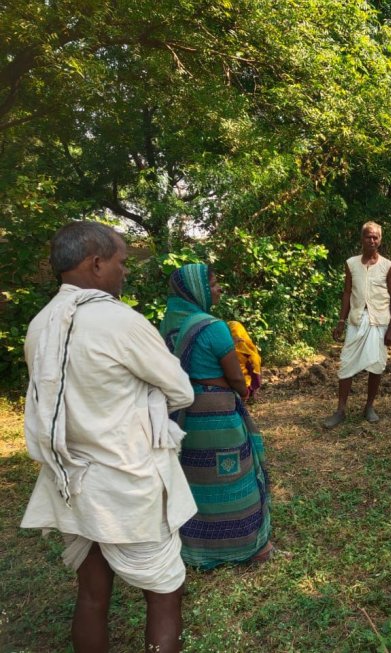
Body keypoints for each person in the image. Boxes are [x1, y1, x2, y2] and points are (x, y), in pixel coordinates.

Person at [20, 221, 196, 653]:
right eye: (120, 263)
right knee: (163, 592)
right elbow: (181, 390)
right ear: (95, 264)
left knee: (93, 594)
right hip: (126, 485)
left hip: (71, 486)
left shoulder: (40, 325)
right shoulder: (120, 321)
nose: (124, 272)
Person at [160, 263, 273, 569]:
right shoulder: (213, 328)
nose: (218, 288)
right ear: (197, 291)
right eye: (213, 284)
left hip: (183, 415)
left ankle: (196, 548)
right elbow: (238, 381)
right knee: (233, 475)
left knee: (195, 478)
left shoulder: (166, 326)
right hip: (219, 413)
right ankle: (247, 546)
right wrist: (225, 385)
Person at [323, 221, 391, 428]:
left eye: (375, 237)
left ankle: (369, 406)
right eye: (368, 236)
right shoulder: (351, 264)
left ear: (380, 240)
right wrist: (341, 321)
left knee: (376, 365)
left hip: (379, 322)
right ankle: (340, 410)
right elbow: (347, 292)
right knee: (346, 363)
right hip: (356, 320)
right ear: (362, 239)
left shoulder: (388, 266)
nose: (372, 240)